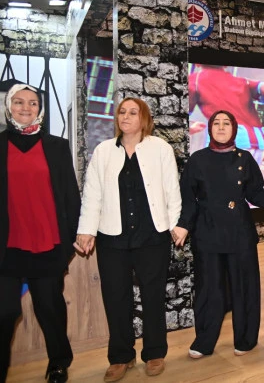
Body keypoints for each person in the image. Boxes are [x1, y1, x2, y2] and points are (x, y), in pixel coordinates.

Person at [75, 98, 182, 382]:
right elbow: (92, 194)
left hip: (152, 236)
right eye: (122, 112)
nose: (126, 116)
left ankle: (155, 352)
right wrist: (86, 229)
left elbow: (172, 190)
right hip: (112, 238)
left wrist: (176, 225)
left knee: (153, 296)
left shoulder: (161, 148)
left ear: (144, 118)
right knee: (116, 298)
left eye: (133, 112)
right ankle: (121, 356)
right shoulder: (103, 151)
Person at [176, 110, 264, 359]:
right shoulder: (197, 160)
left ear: (234, 128)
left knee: (244, 288)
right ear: (210, 128)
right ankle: (204, 342)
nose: (221, 127)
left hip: (240, 234)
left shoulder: (245, 159)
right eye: (216, 123)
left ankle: (246, 339)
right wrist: (183, 224)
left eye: (226, 123)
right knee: (209, 290)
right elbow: (187, 199)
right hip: (206, 235)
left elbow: (256, 194)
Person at [0, 84, 80, 383]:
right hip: (7, 248)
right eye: (19, 102)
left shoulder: (57, 146)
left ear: (40, 108)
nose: (26, 107)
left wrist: (71, 240)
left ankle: (59, 363)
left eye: (32, 103)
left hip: (48, 244)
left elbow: (70, 195)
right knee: (5, 313)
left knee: (50, 309)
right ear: (9, 106)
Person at [188, 65, 264, 161]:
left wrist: (191, 129)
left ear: (197, 64)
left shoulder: (195, 81)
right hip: (256, 144)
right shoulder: (240, 81)